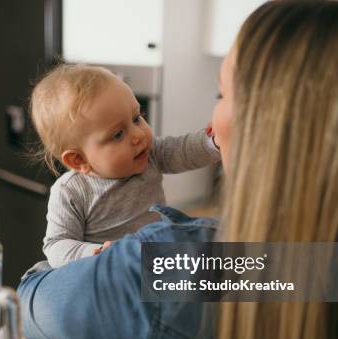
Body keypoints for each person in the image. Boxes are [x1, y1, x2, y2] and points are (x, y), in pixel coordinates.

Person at [18, 1, 338, 339]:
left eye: (222, 92)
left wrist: (105, 271)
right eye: (117, 133)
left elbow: (28, 305)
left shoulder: (164, 270)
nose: (141, 135)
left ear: (264, 125)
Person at [30, 64, 220, 268]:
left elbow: (183, 151)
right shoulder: (72, 192)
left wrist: (215, 142)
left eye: (137, 118)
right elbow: (56, 245)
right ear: (79, 160)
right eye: (118, 134)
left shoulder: (150, 154)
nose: (138, 135)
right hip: (112, 278)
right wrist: (97, 252)